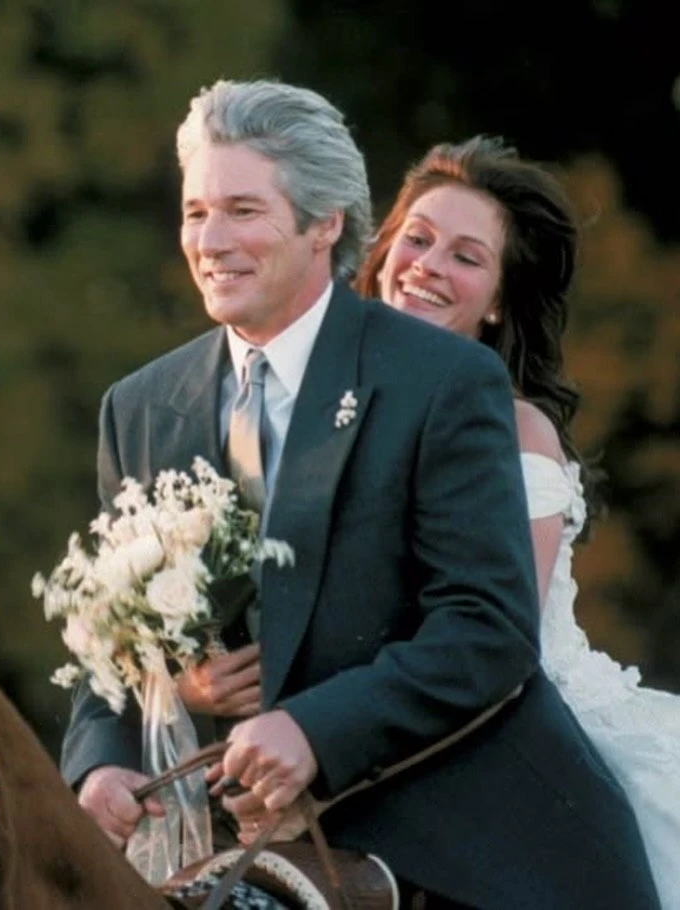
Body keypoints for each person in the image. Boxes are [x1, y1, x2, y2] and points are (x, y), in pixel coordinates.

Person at [60, 80, 660, 908]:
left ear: (325, 224)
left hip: (463, 846)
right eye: (197, 212)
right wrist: (101, 760)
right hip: (245, 846)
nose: (211, 240)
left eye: (243, 211)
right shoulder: (138, 407)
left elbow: (487, 627)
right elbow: (111, 643)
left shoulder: (444, 379)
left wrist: (313, 729)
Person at [355, 134, 680, 908]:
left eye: (466, 256)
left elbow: (499, 635)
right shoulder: (326, 411)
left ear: (498, 302)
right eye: (418, 239)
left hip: (516, 734)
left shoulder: (516, 432)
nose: (429, 265)